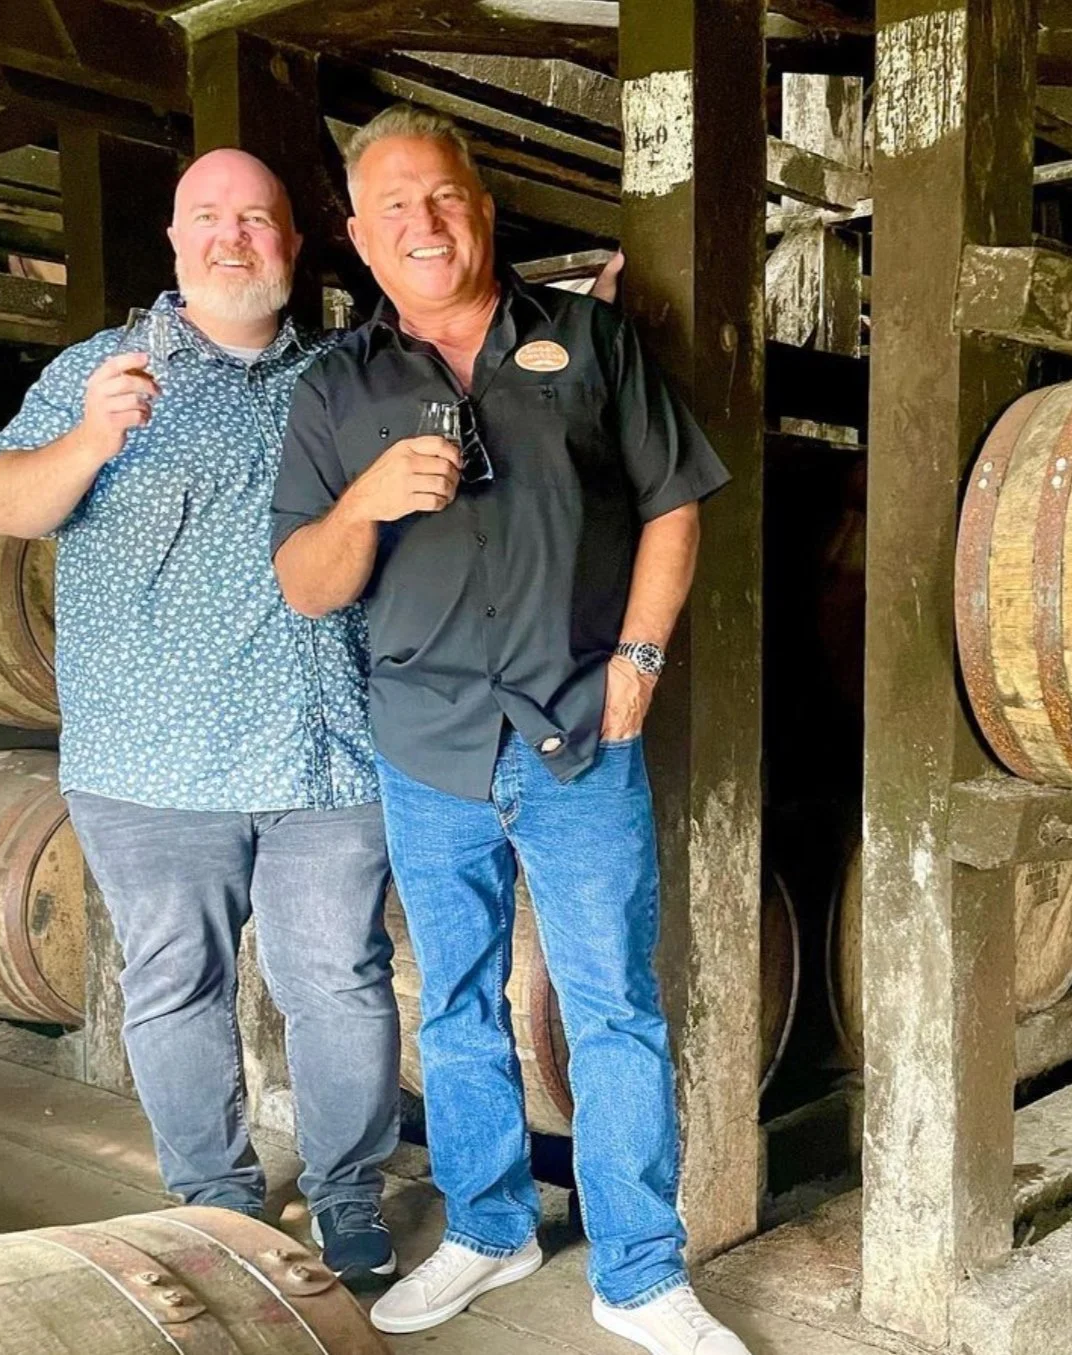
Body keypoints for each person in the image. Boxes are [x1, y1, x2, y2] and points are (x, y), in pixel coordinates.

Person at [271, 105, 751, 1355]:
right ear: (359, 241)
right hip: (426, 745)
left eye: (442, 197)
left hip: (579, 733)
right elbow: (307, 582)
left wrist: (640, 660)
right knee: (460, 1006)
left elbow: (674, 503)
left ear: (479, 208)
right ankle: (491, 1226)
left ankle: (641, 1271)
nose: (422, 226)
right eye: (393, 211)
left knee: (613, 1003)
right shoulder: (337, 389)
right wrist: (369, 501)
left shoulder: (584, 337)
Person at [0, 148, 401, 1290]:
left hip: (325, 747)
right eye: (208, 217)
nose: (232, 236)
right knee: (175, 985)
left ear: (292, 245)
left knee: (341, 980)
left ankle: (349, 1193)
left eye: (256, 219)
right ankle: (216, 1202)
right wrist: (92, 436)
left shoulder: (347, 370)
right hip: (147, 756)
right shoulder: (98, 369)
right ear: (174, 239)